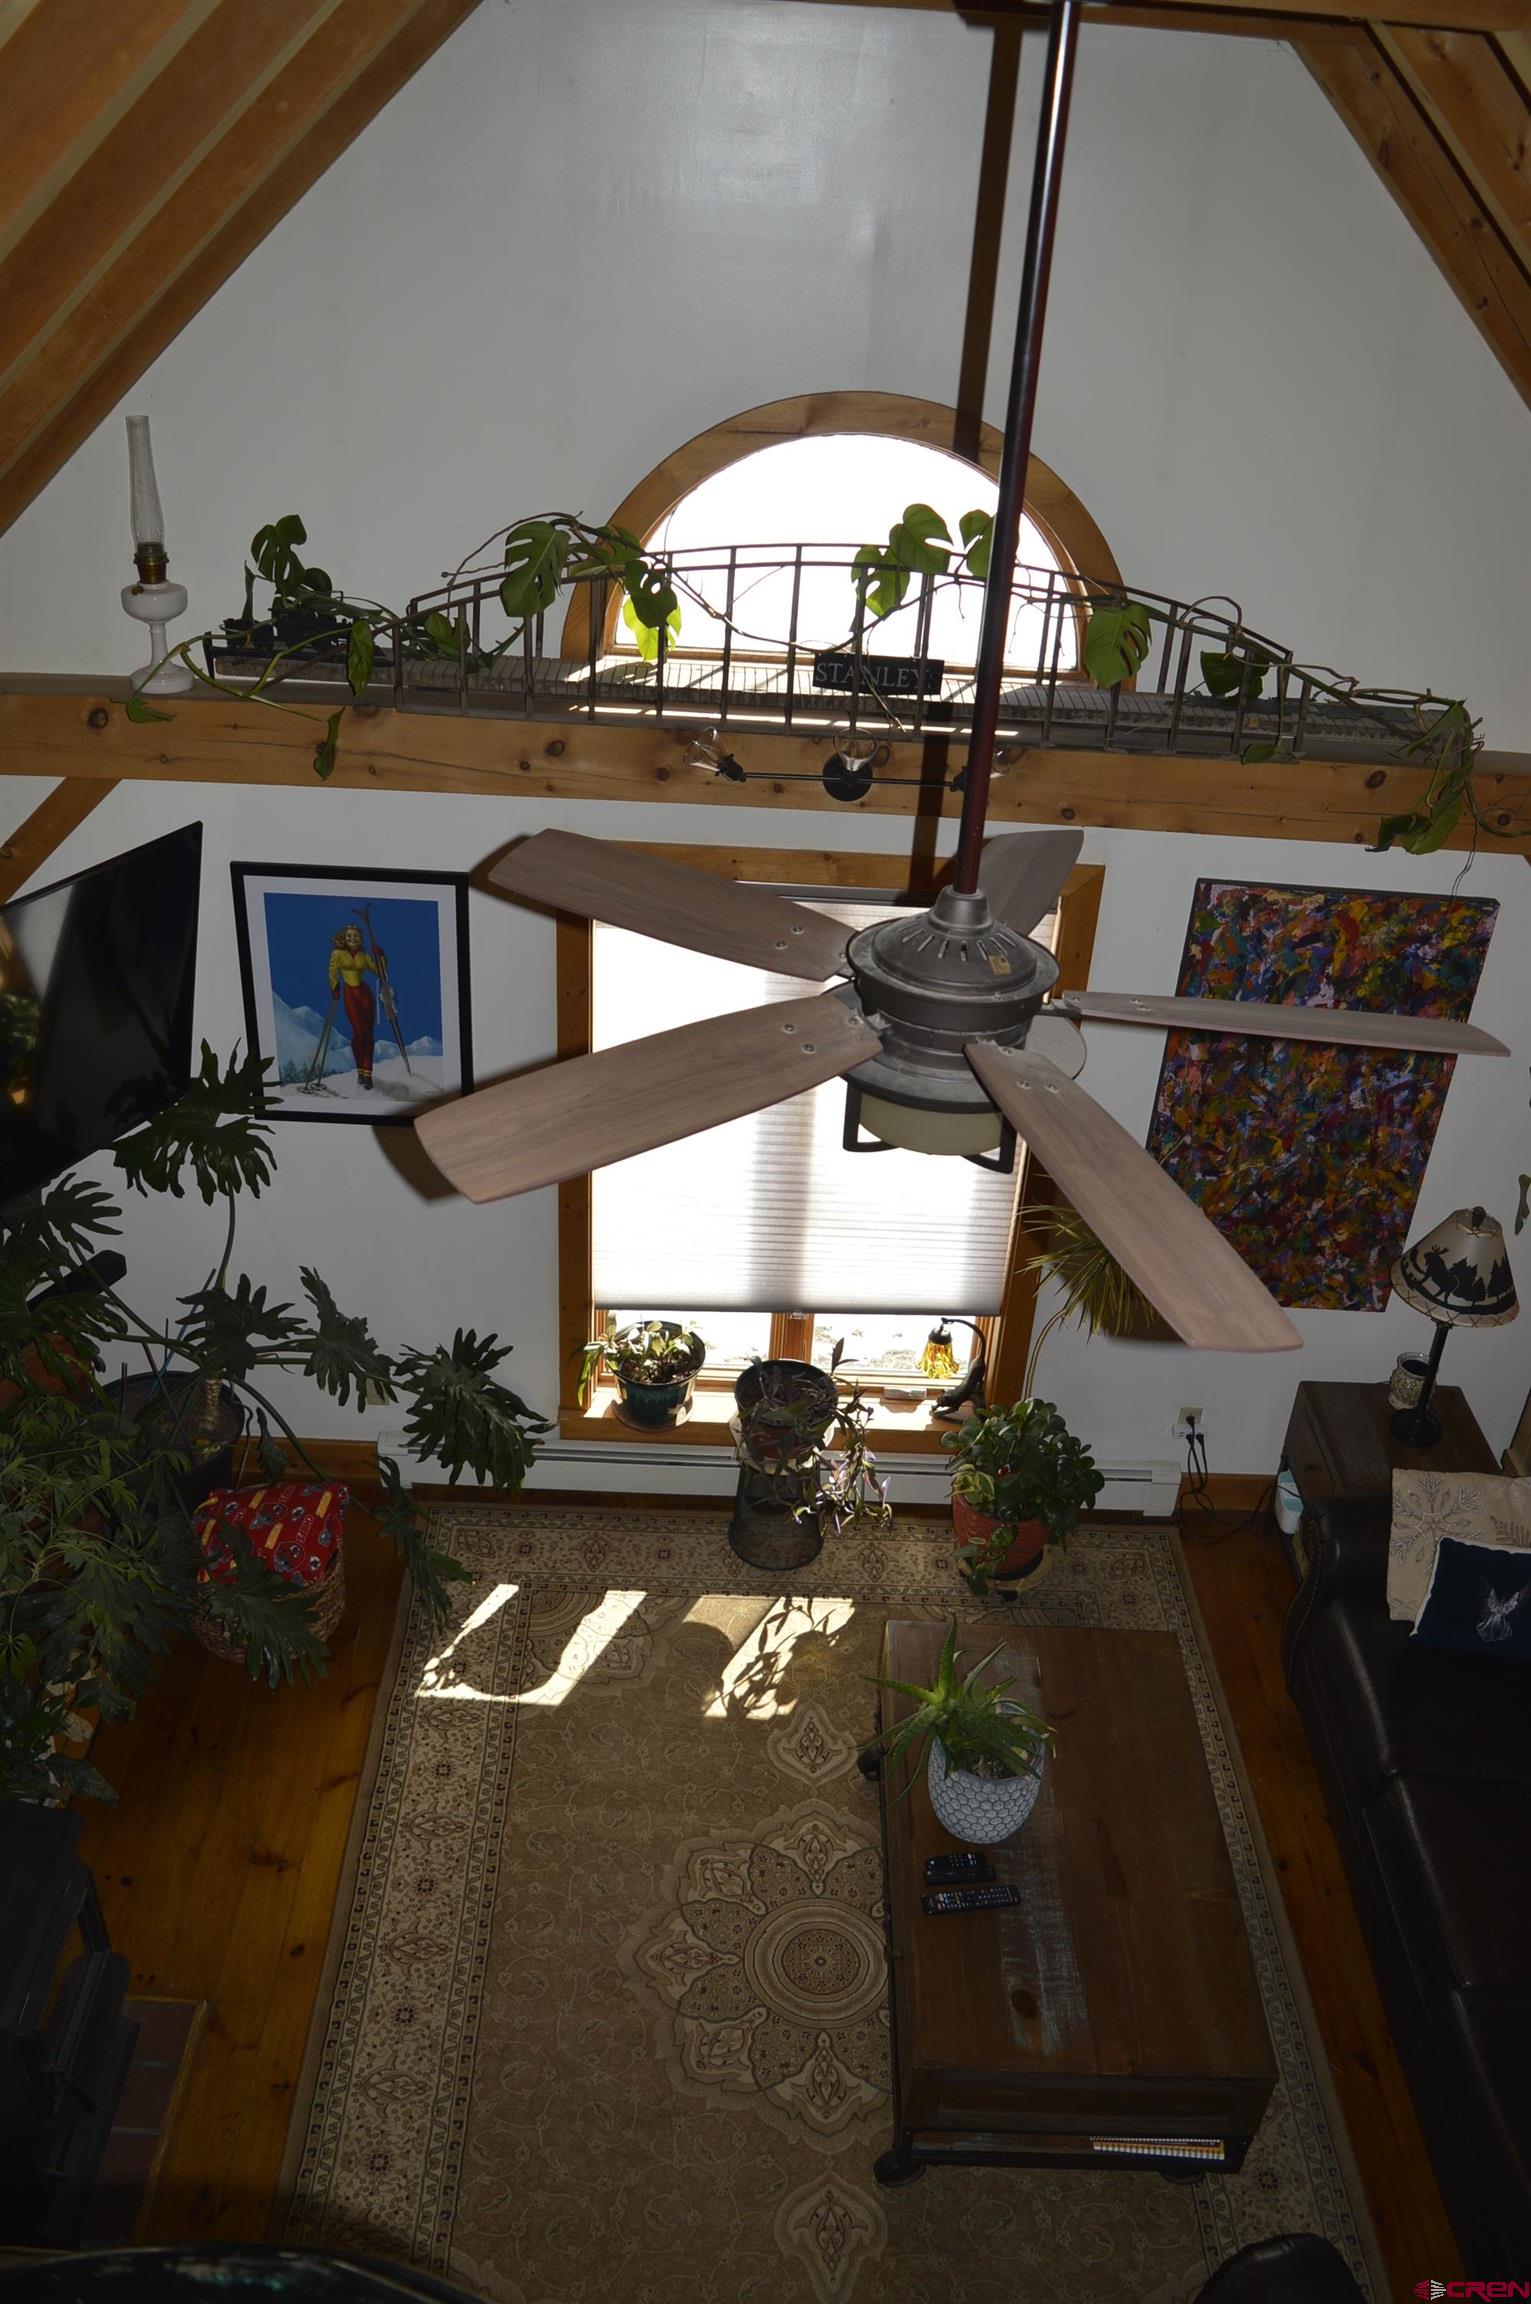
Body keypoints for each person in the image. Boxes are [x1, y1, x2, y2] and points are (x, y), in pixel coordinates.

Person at [328, 922, 386, 1089]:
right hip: (350, 994)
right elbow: (332, 971)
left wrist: (380, 956)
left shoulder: (364, 956)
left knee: (368, 1033)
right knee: (359, 1032)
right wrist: (334, 986)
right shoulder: (338, 954)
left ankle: (367, 1073)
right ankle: (360, 1068)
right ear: (344, 938)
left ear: (360, 939)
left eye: (356, 936)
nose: (352, 938)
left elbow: (380, 973)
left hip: (365, 994)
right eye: (349, 936)